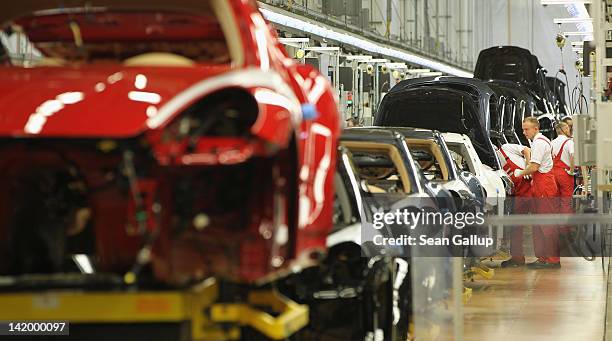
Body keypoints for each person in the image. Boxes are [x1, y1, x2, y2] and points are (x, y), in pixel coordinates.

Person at [514, 117, 560, 269]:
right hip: (541, 184)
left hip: (544, 187)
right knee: (540, 223)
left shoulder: (539, 143)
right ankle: (544, 257)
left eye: (526, 129)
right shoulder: (539, 141)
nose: (524, 132)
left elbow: (534, 167)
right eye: (523, 129)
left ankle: (552, 259)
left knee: (546, 223)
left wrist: (520, 173)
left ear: (535, 128)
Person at [497, 144, 532, 267]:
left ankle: (548, 258)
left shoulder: (506, 148)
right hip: (518, 193)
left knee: (540, 222)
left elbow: (527, 150)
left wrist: (528, 167)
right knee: (516, 226)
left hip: (529, 187)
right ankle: (517, 257)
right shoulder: (494, 163)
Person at [552, 122, 574, 231]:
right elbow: (573, 155)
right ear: (564, 129)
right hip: (565, 174)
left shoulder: (551, 143)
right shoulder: (569, 142)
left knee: (555, 200)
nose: (570, 130)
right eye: (568, 128)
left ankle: (555, 225)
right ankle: (564, 228)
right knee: (566, 201)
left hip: (553, 174)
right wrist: (572, 170)